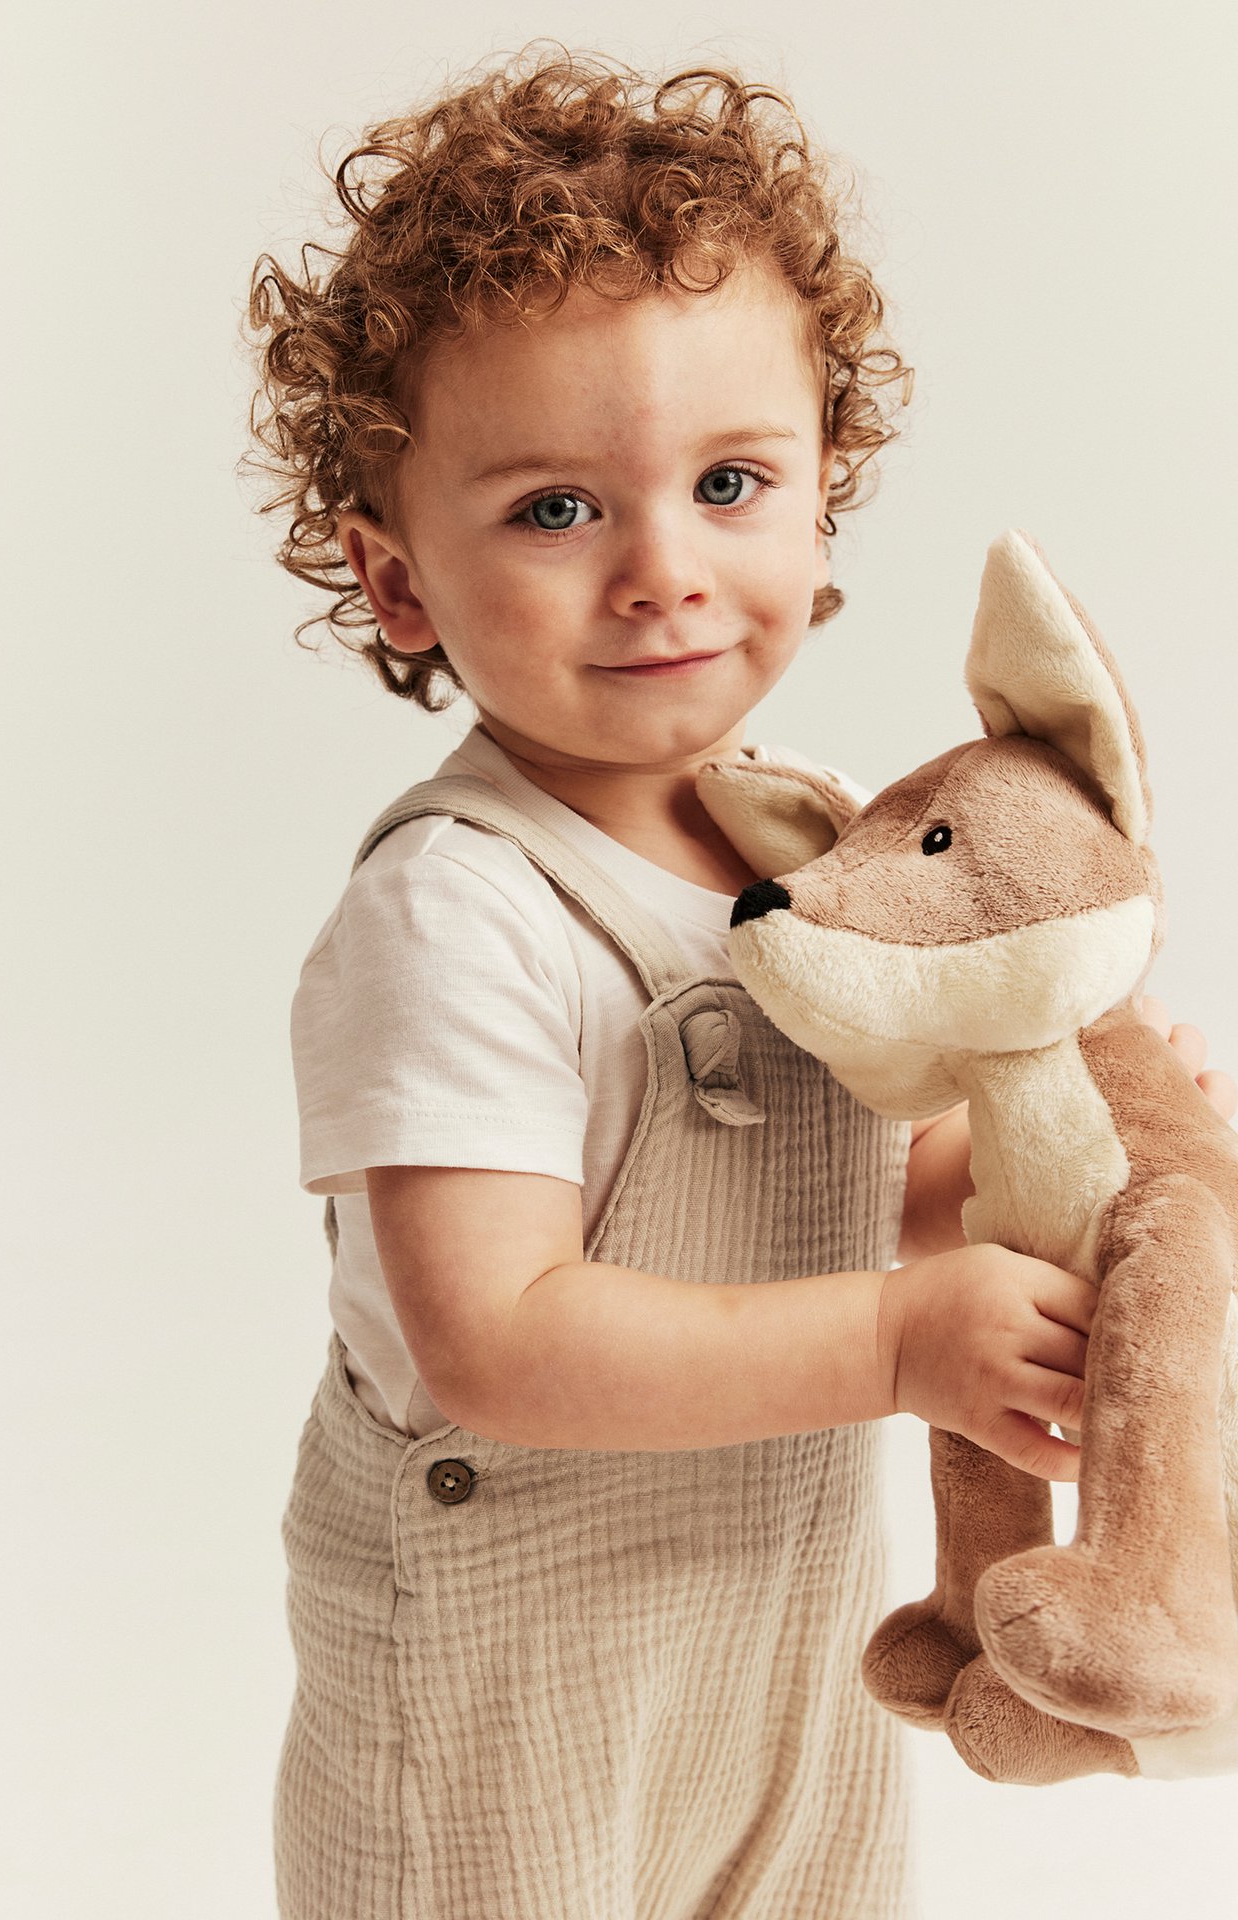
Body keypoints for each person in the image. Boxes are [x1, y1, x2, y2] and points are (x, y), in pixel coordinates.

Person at [245, 44, 1235, 1920]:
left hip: (770, 1609)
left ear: (824, 502)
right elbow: (498, 1332)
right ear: (396, 581)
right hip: (499, 1658)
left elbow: (844, 1188)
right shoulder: (460, 909)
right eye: (554, 509)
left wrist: (1049, 1185)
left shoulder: (830, 856)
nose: (660, 571)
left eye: (727, 482)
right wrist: (891, 1341)